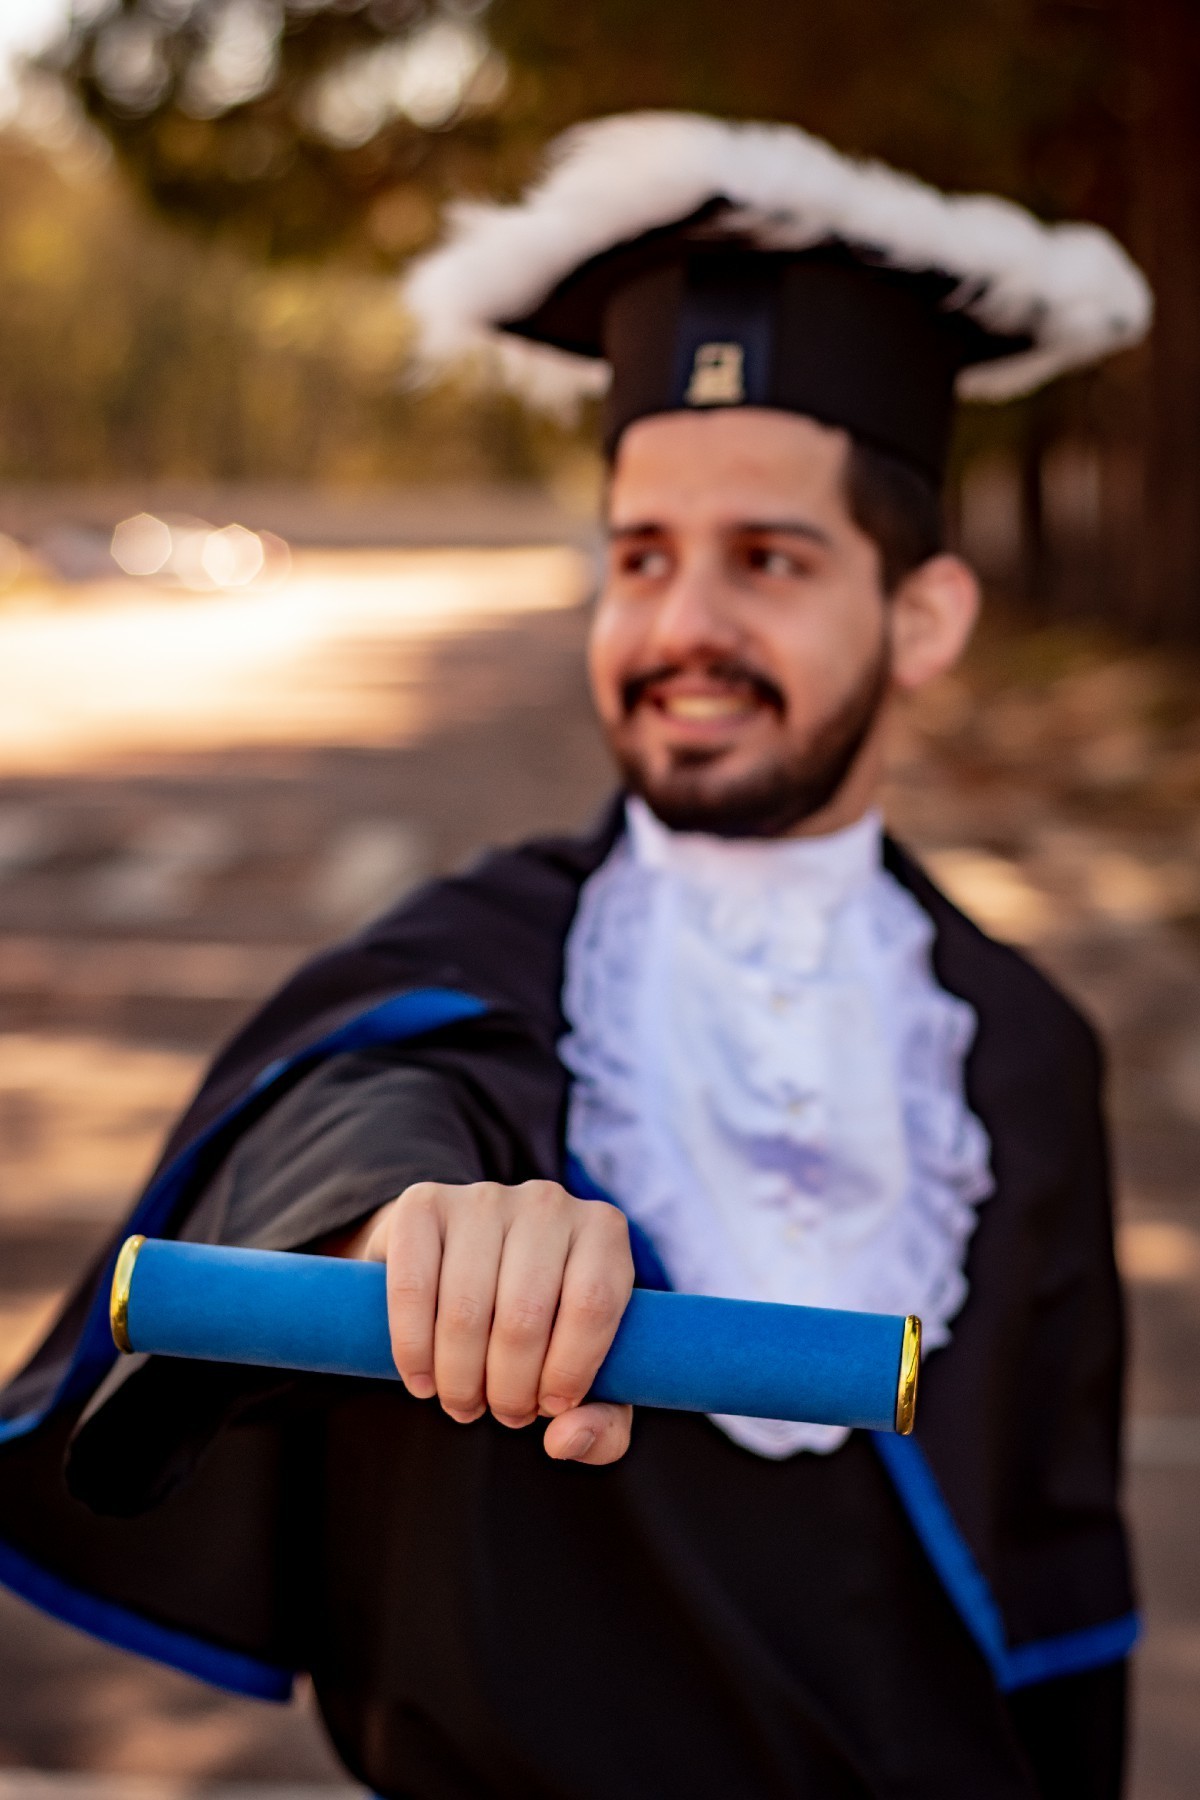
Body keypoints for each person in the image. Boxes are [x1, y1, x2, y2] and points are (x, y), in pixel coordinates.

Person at [0, 112, 1152, 1798]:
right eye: (640, 558)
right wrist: (413, 1230)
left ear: (923, 618)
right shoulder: (482, 949)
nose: (683, 627)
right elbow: (359, 1110)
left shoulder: (1028, 1044)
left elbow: (1060, 1595)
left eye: (768, 559)